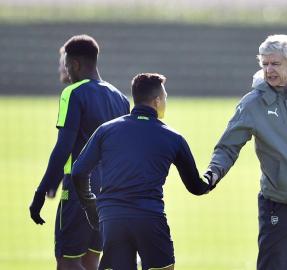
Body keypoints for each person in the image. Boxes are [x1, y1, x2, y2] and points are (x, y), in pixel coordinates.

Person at [204, 34, 287, 270]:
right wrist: (213, 173)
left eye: (274, 63)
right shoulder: (252, 104)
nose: (269, 70)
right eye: (264, 64)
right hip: (279, 206)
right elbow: (228, 146)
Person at [70, 73, 210, 270]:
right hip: (150, 219)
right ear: (157, 101)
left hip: (112, 219)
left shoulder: (106, 130)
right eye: (165, 98)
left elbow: (78, 172)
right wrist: (213, 176)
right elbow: (196, 187)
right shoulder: (173, 137)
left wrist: (91, 207)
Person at [29, 34, 130, 270]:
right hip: (110, 191)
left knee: (67, 262)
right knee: (91, 260)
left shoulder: (73, 93)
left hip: (79, 190)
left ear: (74, 64)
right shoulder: (121, 99)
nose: (65, 70)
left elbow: (64, 147)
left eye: (66, 65)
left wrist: (41, 190)